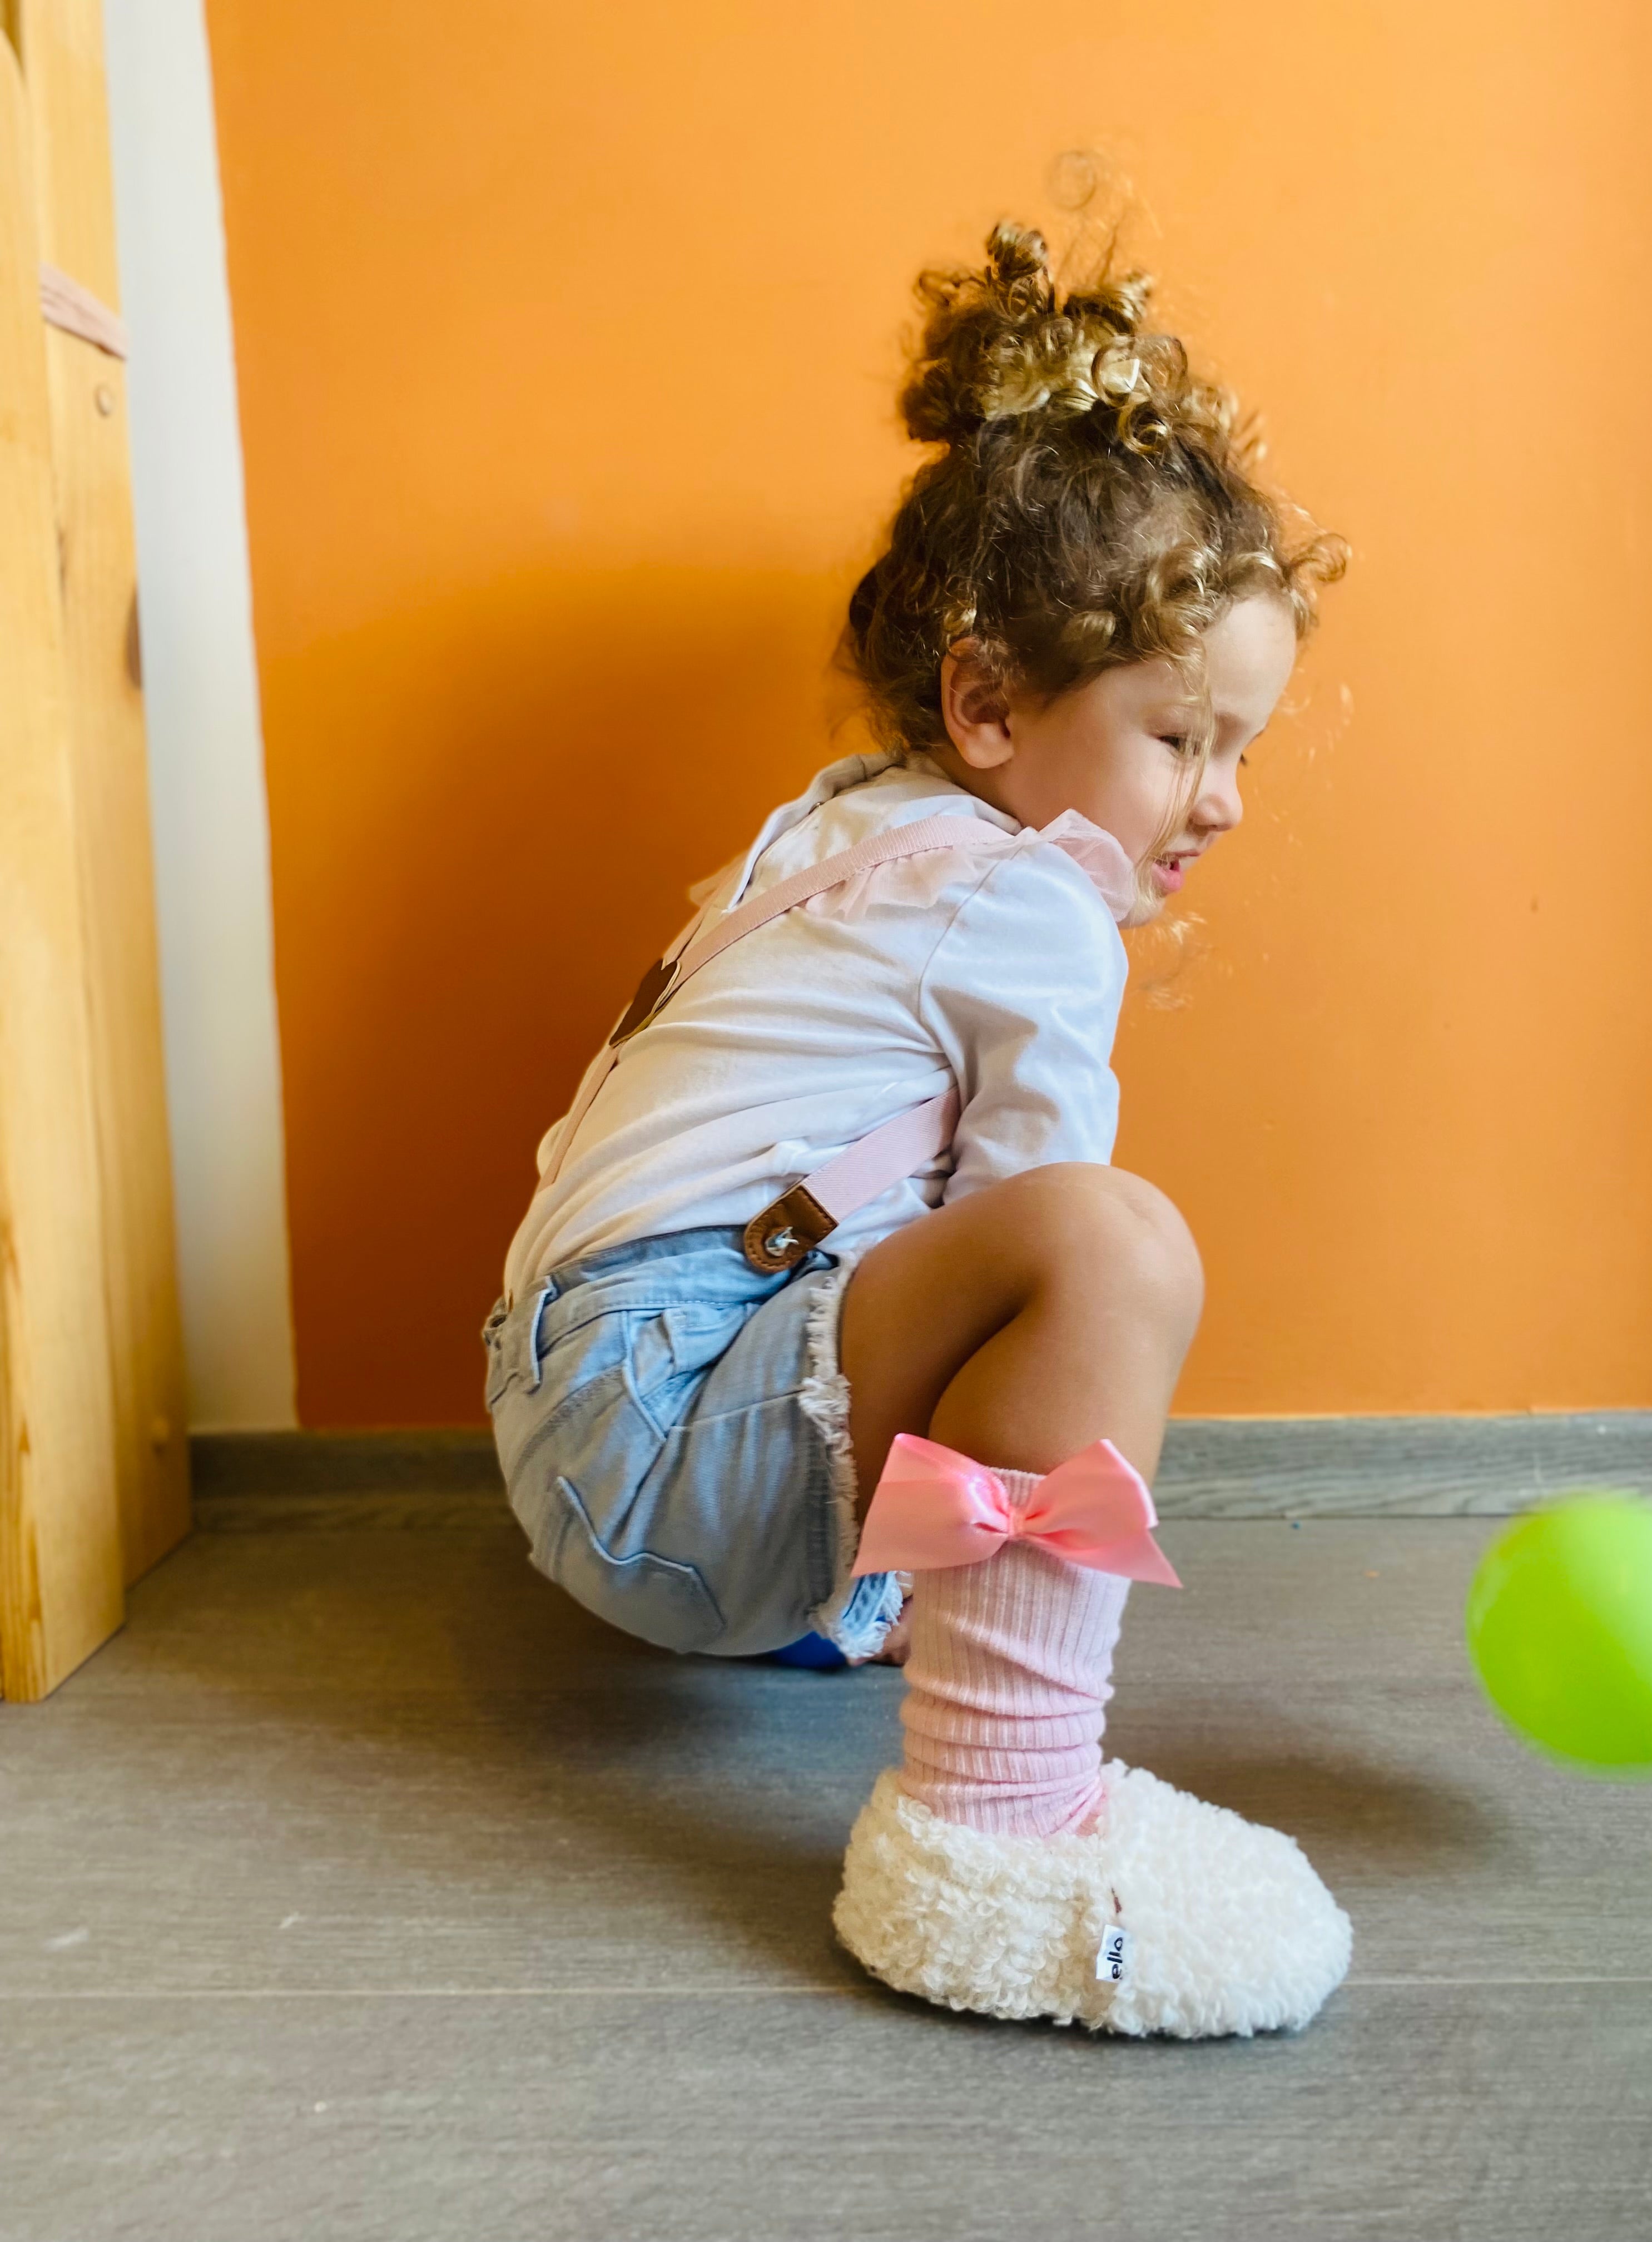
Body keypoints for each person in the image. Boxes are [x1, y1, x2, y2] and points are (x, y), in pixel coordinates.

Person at [483, 220, 1353, 2036]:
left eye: (1244, 749)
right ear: (986, 702)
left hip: (570, 1400)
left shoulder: (838, 826)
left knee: (1018, 1245)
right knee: (1110, 1246)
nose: (1228, 801)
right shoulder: (1026, 900)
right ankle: (996, 1823)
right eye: (1185, 741)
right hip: (665, 1428)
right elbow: (1032, 1228)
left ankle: (865, 1609)